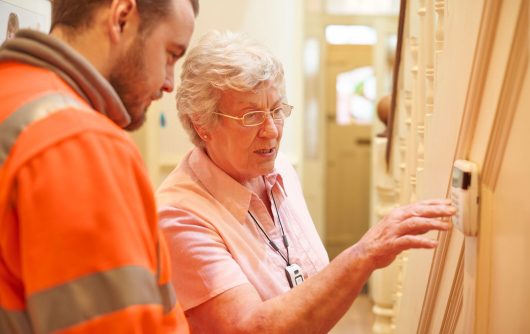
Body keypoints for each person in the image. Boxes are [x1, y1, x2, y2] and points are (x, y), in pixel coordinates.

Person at [157, 30, 456, 333]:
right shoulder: (178, 215)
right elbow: (248, 329)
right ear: (202, 124)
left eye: (276, 110)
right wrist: (362, 256)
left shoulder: (280, 169)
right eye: (250, 116)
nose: (271, 131)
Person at [0, 0, 198, 333]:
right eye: (170, 54)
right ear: (122, 18)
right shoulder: (82, 142)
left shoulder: (12, 95)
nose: (169, 83)